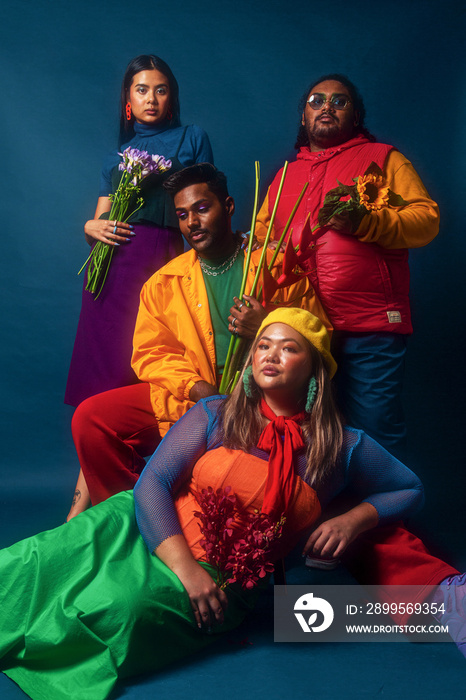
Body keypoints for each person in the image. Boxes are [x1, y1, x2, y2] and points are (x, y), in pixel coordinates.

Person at [3, 308, 462, 700]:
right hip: (142, 529)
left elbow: (410, 488)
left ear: (315, 369)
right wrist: (188, 570)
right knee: (31, 562)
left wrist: (354, 520)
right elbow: (153, 485)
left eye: (288, 347)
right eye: (263, 345)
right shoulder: (216, 413)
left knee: (112, 611)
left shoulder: (342, 447)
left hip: (225, 582)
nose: (271, 355)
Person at [67, 164, 329, 520]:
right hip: (191, 399)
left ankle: (173, 518)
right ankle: (132, 519)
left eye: (202, 208)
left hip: (258, 403)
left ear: (229, 206)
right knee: (92, 419)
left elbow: (319, 336)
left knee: (235, 486)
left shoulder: (272, 263)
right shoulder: (165, 281)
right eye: (182, 214)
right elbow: (150, 353)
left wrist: (265, 325)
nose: (192, 222)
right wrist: (195, 387)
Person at [255, 74, 440, 459]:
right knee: (310, 435)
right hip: (303, 330)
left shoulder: (384, 158)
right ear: (304, 117)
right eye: (316, 100)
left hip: (370, 326)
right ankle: (322, 515)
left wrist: (368, 223)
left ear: (355, 116)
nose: (326, 107)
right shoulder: (285, 176)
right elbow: (261, 240)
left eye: (339, 102)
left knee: (374, 431)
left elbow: (426, 219)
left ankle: (385, 516)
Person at [65, 54, 213, 408]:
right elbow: (99, 220)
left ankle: (161, 458)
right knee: (104, 366)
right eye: (142, 90)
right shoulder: (116, 156)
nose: (151, 99)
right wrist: (89, 225)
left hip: (161, 260)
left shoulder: (192, 138)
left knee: (159, 358)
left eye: (160, 91)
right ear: (128, 99)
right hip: (109, 271)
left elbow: (208, 205)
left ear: (171, 98)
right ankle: (92, 459)